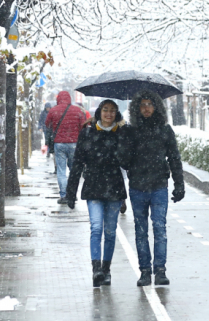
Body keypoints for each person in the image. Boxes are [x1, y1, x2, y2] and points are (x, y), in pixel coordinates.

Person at [119, 90, 185, 287]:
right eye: (142, 104)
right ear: (136, 108)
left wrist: (179, 184)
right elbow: (123, 161)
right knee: (141, 230)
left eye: (150, 104)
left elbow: (174, 158)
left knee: (159, 228)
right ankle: (145, 271)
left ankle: (160, 269)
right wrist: (125, 143)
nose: (146, 108)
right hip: (138, 186)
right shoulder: (130, 131)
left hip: (159, 186)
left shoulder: (165, 130)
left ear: (156, 107)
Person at [66, 100, 126, 287]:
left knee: (110, 231)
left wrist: (125, 132)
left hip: (114, 188)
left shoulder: (122, 134)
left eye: (113, 111)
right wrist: (71, 191)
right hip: (93, 187)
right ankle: (96, 270)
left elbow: (128, 161)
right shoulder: (87, 133)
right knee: (96, 228)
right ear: (99, 112)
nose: (109, 114)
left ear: (117, 114)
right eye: (105, 110)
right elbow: (77, 163)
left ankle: (106, 270)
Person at [45, 91, 87, 204]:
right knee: (74, 171)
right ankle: (72, 194)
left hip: (59, 143)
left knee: (61, 170)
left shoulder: (54, 110)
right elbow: (84, 126)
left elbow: (47, 123)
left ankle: (64, 195)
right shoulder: (77, 110)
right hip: (74, 144)